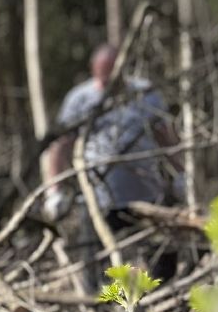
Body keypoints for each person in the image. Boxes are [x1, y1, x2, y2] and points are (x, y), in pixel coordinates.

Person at [44, 44, 181, 283]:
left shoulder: (145, 94)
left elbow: (165, 136)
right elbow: (60, 147)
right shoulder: (80, 100)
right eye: (103, 76)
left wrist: (181, 175)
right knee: (98, 262)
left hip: (146, 192)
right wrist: (53, 191)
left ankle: (161, 296)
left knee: (160, 255)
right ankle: (98, 304)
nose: (108, 82)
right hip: (99, 197)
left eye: (113, 74)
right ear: (94, 71)